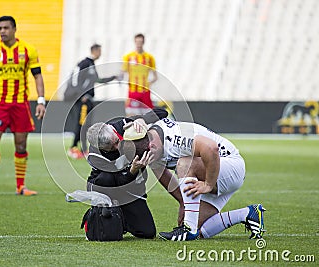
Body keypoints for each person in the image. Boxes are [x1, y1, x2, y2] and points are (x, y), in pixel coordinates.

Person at [122, 118, 266, 241]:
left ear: (151, 146)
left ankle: (188, 230)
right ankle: (248, 213)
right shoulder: (150, 144)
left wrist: (208, 184)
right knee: (202, 230)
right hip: (212, 171)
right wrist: (182, 202)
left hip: (229, 166)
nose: (150, 162)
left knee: (185, 163)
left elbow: (211, 148)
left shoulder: (175, 139)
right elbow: (163, 175)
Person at [0, 16, 46, 196]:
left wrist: (41, 101)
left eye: (6, 28)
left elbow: (38, 76)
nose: (2, 31)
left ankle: (21, 187)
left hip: (20, 105)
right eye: (0, 28)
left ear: (14, 29)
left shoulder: (28, 50)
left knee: (21, 145)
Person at [85, 108, 168, 239]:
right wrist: (133, 170)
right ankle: (100, 212)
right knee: (105, 178)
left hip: (131, 189)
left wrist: (142, 120)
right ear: (99, 148)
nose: (118, 147)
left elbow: (163, 113)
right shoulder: (95, 156)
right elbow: (117, 182)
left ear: (112, 129)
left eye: (117, 141)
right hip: (108, 188)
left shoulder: (122, 125)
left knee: (147, 232)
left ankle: (121, 219)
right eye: (111, 148)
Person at [67, 44, 116, 159]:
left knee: (87, 124)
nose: (100, 53)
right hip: (83, 100)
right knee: (82, 123)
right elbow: (74, 78)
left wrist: (113, 77)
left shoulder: (91, 65)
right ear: (95, 51)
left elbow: (98, 80)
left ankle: (83, 149)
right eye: (99, 51)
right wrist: (81, 94)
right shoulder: (84, 63)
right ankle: (73, 147)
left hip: (89, 99)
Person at [120, 33, 158, 117]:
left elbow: (155, 77)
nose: (139, 44)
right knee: (131, 116)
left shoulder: (149, 57)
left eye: (140, 42)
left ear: (143, 42)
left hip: (145, 91)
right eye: (137, 42)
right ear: (134, 42)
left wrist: (149, 83)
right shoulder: (128, 57)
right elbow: (123, 71)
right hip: (133, 91)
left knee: (148, 116)